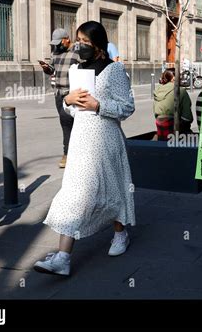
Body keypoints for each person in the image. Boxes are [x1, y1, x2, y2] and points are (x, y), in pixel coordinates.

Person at [33, 21, 135, 276]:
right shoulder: (78, 68)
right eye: (78, 40)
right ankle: (63, 257)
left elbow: (127, 107)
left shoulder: (114, 70)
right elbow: (73, 107)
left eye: (86, 42)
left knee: (112, 189)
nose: (80, 46)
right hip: (80, 141)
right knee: (74, 194)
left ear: (98, 44)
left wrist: (99, 105)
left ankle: (120, 234)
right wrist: (67, 100)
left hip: (105, 140)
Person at [41, 28, 80, 168]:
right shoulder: (56, 52)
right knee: (66, 123)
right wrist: (47, 68)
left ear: (67, 39)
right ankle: (69, 153)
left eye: (59, 42)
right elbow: (52, 69)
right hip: (58, 93)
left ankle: (73, 153)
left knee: (74, 123)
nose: (57, 45)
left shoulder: (77, 51)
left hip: (73, 93)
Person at [153, 70, 193, 140]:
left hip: (160, 129)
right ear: (173, 78)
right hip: (177, 131)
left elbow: (155, 112)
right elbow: (187, 117)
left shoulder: (157, 90)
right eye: (180, 76)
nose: (181, 78)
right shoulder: (181, 91)